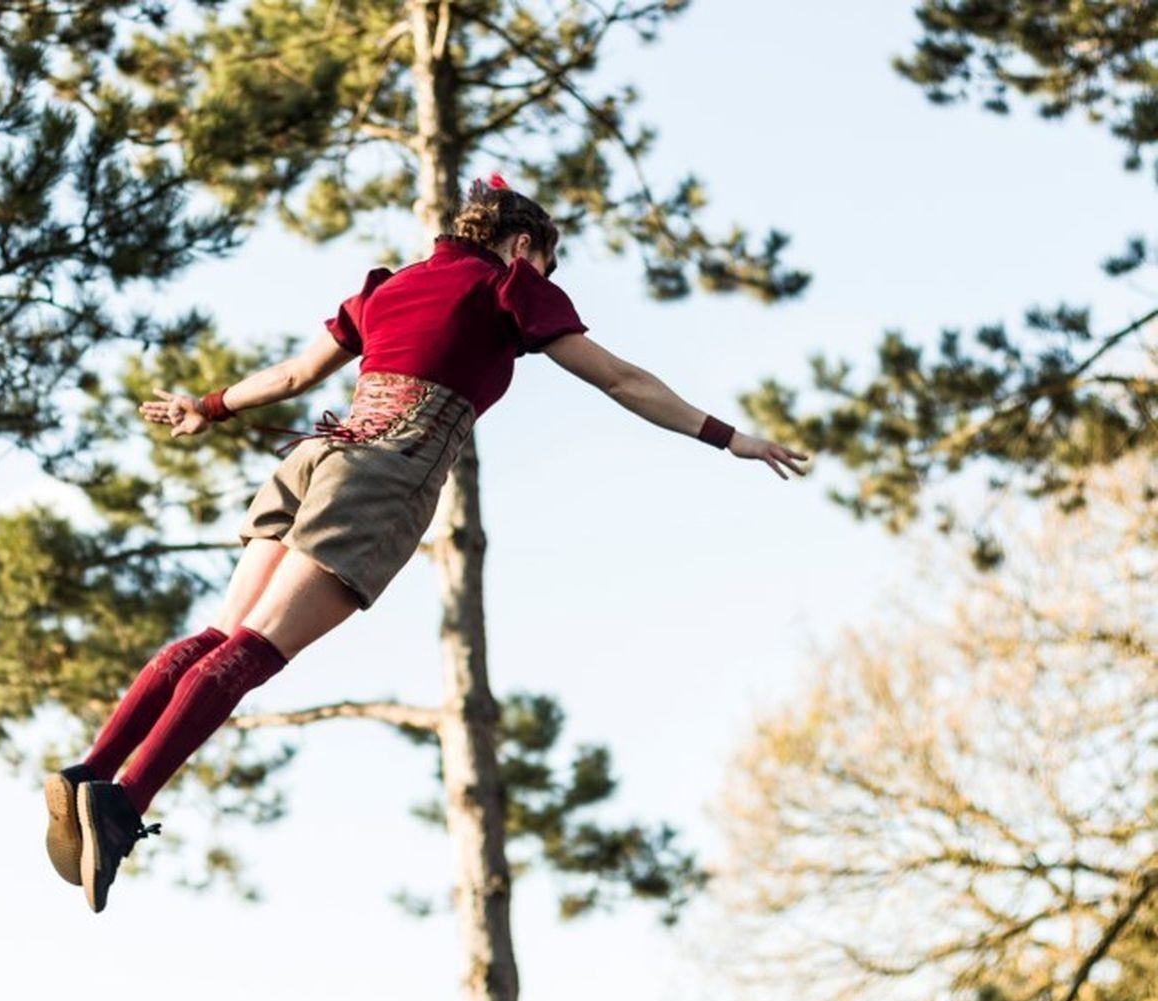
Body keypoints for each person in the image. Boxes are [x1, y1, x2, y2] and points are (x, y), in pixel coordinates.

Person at [44, 173, 811, 913]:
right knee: (254, 649)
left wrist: (209, 406)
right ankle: (121, 803)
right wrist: (727, 436)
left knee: (217, 633)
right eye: (546, 259)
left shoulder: (391, 286)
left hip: (312, 458)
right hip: (384, 476)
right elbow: (619, 378)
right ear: (521, 246)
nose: (545, 275)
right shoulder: (511, 285)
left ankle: (91, 769)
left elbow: (292, 374)